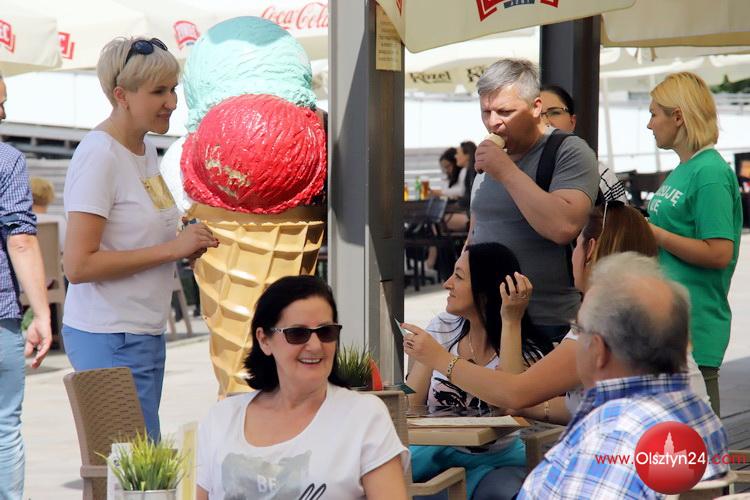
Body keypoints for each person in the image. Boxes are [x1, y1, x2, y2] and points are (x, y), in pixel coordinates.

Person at [405, 202, 708, 426]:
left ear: (590, 249)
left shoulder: (602, 324)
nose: (572, 255)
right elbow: (585, 402)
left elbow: (514, 393)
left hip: (653, 460)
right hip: (687, 449)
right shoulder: (636, 306)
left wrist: (439, 358)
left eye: (575, 246)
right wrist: (532, 406)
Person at [62, 37, 219, 440]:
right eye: (158, 91)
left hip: (142, 331)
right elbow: (78, 265)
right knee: (128, 464)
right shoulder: (100, 155)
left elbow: (142, 231)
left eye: (173, 89)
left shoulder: (144, 149)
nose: (172, 102)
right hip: (109, 335)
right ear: (122, 96)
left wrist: (187, 239)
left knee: (138, 460)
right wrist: (173, 248)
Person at [517, 253, 729, 499]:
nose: (576, 338)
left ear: (598, 350)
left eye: (578, 329)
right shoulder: (695, 411)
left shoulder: (613, 437)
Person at [196, 275, 409, 500]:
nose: (315, 346)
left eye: (326, 332)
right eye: (297, 334)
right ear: (264, 340)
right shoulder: (221, 420)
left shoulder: (363, 416)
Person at [405, 242, 552, 499]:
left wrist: (511, 320)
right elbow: (411, 406)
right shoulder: (443, 326)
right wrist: (429, 356)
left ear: (485, 290)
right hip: (434, 452)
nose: (447, 284)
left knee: (503, 492)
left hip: (497, 459)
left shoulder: (523, 346)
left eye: (458, 277)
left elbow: (510, 403)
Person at [469, 59, 599, 343]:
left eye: (505, 112)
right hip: (485, 319)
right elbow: (477, 229)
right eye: (486, 112)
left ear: (536, 107)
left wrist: (505, 171)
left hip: (546, 321)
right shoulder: (489, 156)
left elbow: (563, 227)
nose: (493, 122)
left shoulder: (568, 151)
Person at [647, 72, 742, 417]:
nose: (649, 124)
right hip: (669, 323)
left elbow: (719, 253)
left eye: (654, 114)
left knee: (697, 441)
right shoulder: (686, 168)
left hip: (695, 325)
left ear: (678, 116)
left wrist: (654, 234)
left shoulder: (710, 172)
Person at [0, 70, 52, 498]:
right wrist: (41, 312)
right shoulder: (6, 160)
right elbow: (20, 239)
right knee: (3, 428)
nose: (4, 113)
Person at [540, 84, 627, 203]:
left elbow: (622, 215)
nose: (546, 122)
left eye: (555, 112)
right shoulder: (519, 171)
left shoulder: (600, 175)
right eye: (537, 114)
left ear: (572, 121)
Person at [29, 176, 67, 250]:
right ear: (50, 197)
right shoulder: (60, 221)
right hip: (53, 257)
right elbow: (66, 249)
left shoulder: (20, 221)